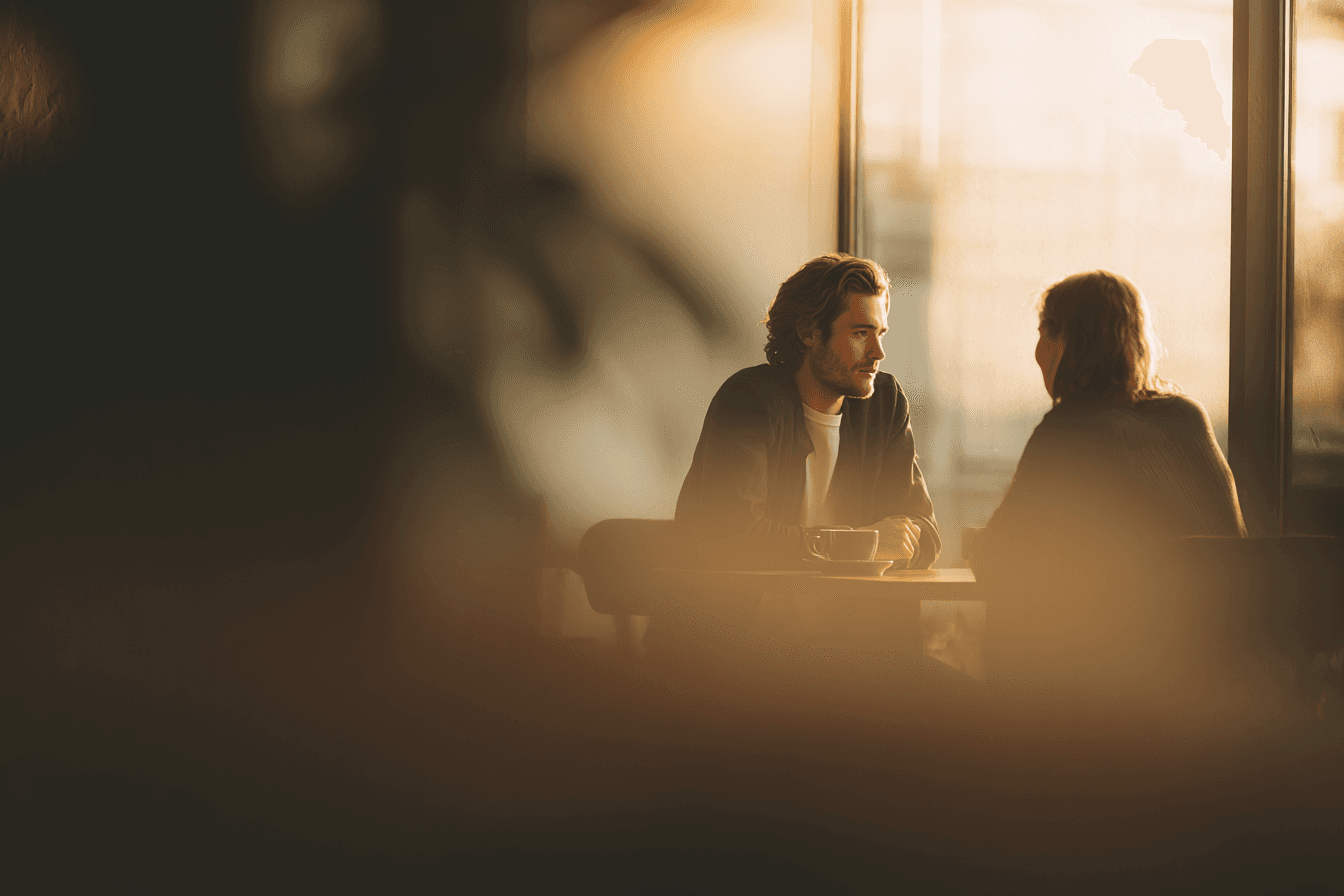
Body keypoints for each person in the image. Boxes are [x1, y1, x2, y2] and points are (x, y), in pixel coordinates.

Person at [968, 270, 1246, 697]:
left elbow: (1001, 565)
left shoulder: (1069, 430)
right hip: (1211, 687)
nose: (1036, 351)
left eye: (1043, 332)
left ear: (1065, 342)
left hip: (1105, 694)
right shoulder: (1187, 417)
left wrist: (974, 543)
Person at [675, 253, 940, 571]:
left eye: (879, 334)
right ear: (809, 333)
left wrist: (898, 541)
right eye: (860, 334)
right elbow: (733, 534)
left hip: (843, 616)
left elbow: (925, 533)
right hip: (743, 616)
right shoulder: (749, 400)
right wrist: (854, 544)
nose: (878, 352)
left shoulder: (883, 403)